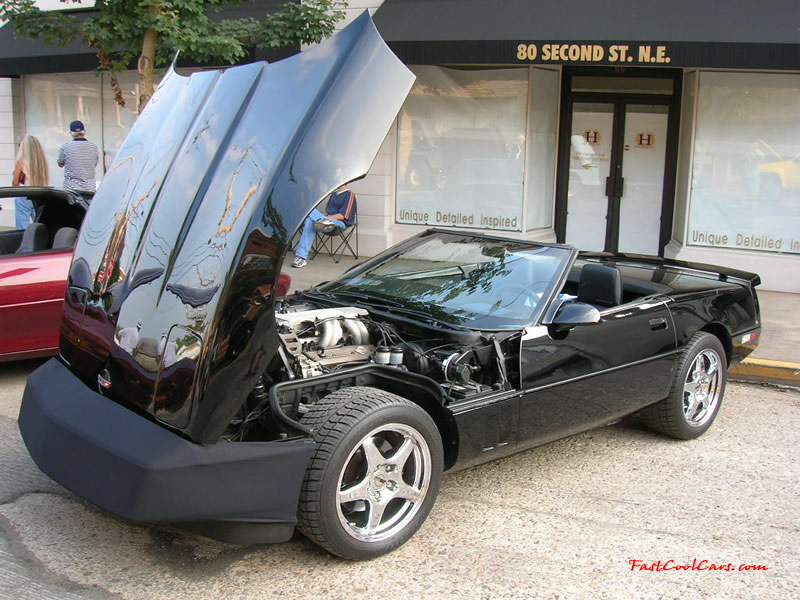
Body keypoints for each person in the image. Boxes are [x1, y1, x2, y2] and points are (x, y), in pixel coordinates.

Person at [292, 184, 357, 268]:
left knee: (310, 214)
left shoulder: (349, 194)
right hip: (326, 222)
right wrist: (325, 218)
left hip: (340, 223)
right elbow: (328, 211)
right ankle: (301, 257)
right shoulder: (334, 194)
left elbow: (343, 216)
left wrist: (328, 218)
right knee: (309, 221)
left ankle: (322, 220)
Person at [12, 135, 49, 230]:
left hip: (24, 194)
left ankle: (25, 239)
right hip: (39, 194)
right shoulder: (42, 160)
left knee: (22, 226)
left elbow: (15, 183)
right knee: (39, 224)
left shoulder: (21, 161)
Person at [57, 120, 99, 195]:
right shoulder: (94, 147)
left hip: (71, 190)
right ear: (84, 131)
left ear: (71, 133)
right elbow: (94, 164)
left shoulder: (65, 147)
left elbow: (60, 164)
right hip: (90, 189)